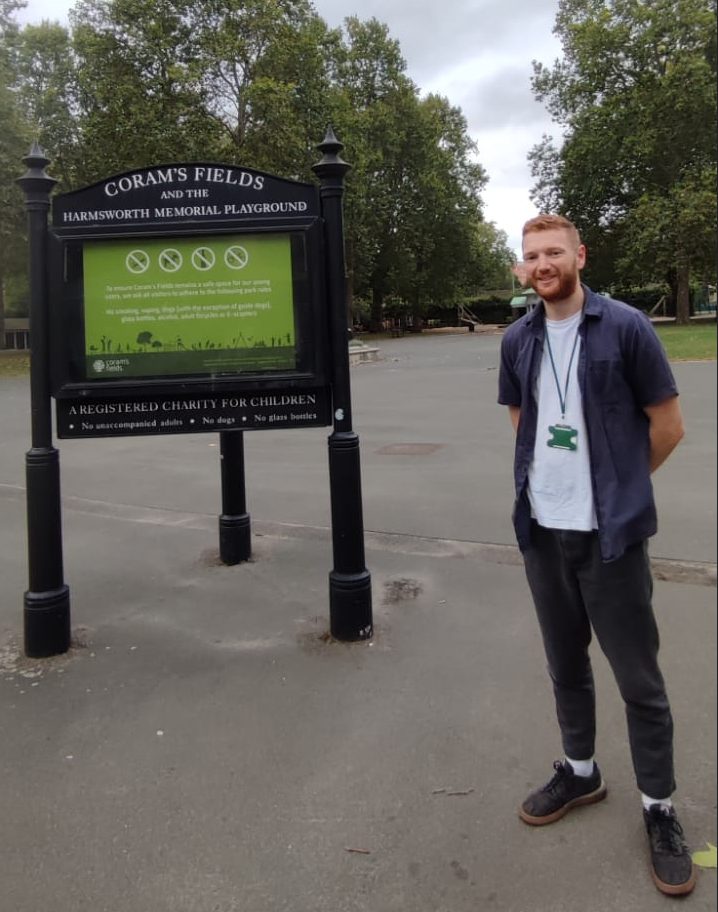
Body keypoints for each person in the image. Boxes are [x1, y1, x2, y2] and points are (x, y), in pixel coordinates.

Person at [497, 214, 696, 896]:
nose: (543, 263)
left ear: (580, 255)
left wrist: (619, 487)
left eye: (554, 251)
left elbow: (668, 426)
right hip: (544, 536)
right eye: (532, 256)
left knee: (639, 680)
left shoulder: (627, 328)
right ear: (523, 270)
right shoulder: (517, 339)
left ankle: (659, 808)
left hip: (610, 537)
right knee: (565, 666)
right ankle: (580, 770)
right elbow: (522, 424)